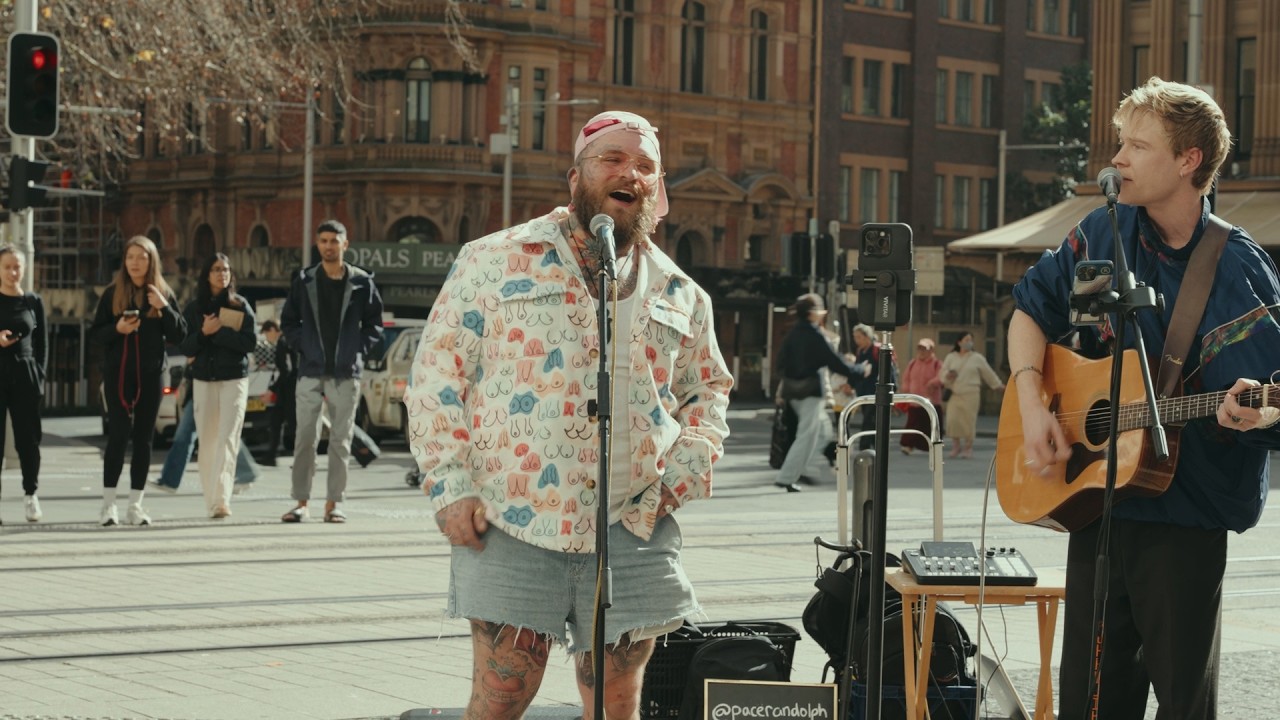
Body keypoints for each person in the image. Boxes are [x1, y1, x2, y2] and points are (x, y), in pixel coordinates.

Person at [404, 110, 733, 719]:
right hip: (514, 521)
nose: (629, 173)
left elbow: (708, 392)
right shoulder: (494, 260)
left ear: (656, 189)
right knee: (500, 699)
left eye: (644, 166)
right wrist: (449, 487)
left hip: (632, 527)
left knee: (616, 704)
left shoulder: (680, 291)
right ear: (575, 177)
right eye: (612, 159)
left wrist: (679, 477)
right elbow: (436, 377)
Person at [1009, 77, 1280, 720]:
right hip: (1097, 505)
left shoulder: (1238, 267)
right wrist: (1029, 398)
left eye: (1137, 146)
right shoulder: (1104, 231)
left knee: (1184, 704)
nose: (1117, 160)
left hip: (1185, 519)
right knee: (1088, 701)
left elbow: (1269, 400)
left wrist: (1258, 411)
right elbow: (1028, 307)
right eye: (1119, 144)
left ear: (1189, 161)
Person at [279, 219, 384, 524]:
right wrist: (304, 346)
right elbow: (288, 322)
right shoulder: (304, 280)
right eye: (323, 241)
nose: (328, 246)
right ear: (318, 244)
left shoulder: (362, 282)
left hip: (345, 373)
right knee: (304, 439)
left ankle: (334, 503)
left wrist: (357, 349)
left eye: (333, 241)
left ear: (344, 245)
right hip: (310, 370)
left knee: (341, 440)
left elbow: (375, 324)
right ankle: (301, 503)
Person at [90, 236, 186, 527]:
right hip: (119, 374)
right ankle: (108, 507)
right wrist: (117, 328)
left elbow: (181, 334)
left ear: (151, 260)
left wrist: (164, 307)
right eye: (130, 257)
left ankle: (136, 505)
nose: (135, 262)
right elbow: (96, 336)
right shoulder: (112, 293)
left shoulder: (163, 292)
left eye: (141, 257)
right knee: (118, 436)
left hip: (151, 374)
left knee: (144, 439)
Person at [178, 253, 258, 519]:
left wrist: (219, 332)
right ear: (206, 275)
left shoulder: (240, 305)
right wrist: (203, 334)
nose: (222, 274)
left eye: (225, 269)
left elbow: (249, 344)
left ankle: (222, 501)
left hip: (234, 379)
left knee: (228, 438)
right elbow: (186, 346)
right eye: (216, 269)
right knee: (209, 442)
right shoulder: (193, 309)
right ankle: (211, 499)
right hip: (203, 380)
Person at [773, 293, 859, 492]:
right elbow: (835, 362)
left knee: (823, 431)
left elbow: (780, 366)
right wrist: (858, 370)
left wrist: (795, 376)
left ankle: (805, 469)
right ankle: (787, 476)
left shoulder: (791, 334)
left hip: (793, 392)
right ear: (813, 314)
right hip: (811, 392)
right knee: (807, 435)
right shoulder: (815, 335)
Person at [152, 363, 260, 500]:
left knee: (220, 431)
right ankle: (169, 479)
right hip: (200, 386)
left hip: (210, 385)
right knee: (189, 434)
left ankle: (246, 472)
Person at [0, 246, 47, 524]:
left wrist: (39, 375)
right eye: (6, 266)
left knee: (28, 440)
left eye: (17, 266)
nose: (12, 272)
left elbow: (43, 344)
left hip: (25, 373)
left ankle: (31, 495)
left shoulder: (33, 301)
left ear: (24, 268)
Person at [936, 331, 1003, 458]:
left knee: (969, 421)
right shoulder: (951, 357)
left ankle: (968, 447)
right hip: (955, 393)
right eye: (966, 340)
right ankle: (956, 446)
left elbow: (988, 373)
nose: (968, 343)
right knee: (952, 420)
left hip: (971, 394)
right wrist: (948, 375)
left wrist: (998, 385)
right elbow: (942, 372)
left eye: (970, 340)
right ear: (959, 342)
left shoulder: (977, 358)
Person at [849, 323, 890, 450]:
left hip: (875, 391)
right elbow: (856, 370)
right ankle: (874, 446)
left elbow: (889, 370)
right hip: (863, 391)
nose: (857, 341)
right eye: (855, 337)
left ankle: (864, 446)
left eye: (859, 337)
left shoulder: (877, 350)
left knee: (868, 419)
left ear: (867, 336)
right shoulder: (860, 351)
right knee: (871, 420)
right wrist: (850, 384)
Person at [260, 319, 296, 466]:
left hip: (289, 391)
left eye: (267, 334)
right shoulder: (285, 341)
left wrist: (271, 390)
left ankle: (301, 457)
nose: (268, 339)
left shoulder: (283, 343)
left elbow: (286, 371)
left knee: (293, 425)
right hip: (286, 390)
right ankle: (271, 456)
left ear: (272, 330)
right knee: (276, 422)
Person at [898, 338, 942, 455]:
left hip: (930, 401)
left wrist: (933, 383)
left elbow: (941, 377)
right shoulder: (913, 363)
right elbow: (906, 378)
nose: (921, 351)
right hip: (914, 400)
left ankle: (931, 447)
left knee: (930, 425)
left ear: (931, 350)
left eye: (924, 349)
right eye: (920, 348)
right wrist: (905, 390)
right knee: (912, 424)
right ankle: (908, 446)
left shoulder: (937, 364)